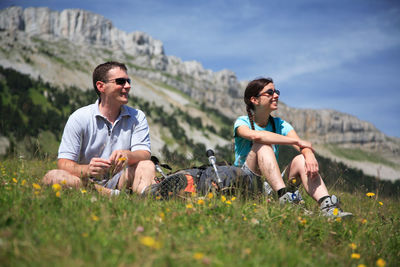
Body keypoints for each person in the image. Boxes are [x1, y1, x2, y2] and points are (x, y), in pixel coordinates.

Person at [233, 77, 352, 217]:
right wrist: (296, 142)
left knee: (302, 160)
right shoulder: (242, 122)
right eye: (270, 92)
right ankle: (285, 198)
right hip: (247, 183)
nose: (276, 95)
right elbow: (257, 137)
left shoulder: (280, 124)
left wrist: (308, 155)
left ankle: (328, 207)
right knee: (263, 146)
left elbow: (303, 145)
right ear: (254, 99)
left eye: (276, 91)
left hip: (271, 185)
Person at [43, 61, 155, 195]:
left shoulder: (137, 116)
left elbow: (144, 153)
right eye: (120, 81)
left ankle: (143, 199)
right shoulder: (79, 117)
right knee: (52, 176)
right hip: (86, 181)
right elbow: (63, 163)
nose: (128, 86)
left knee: (147, 165)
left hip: (121, 179)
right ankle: (114, 195)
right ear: (101, 86)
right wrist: (88, 169)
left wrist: (128, 155)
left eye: (128, 81)